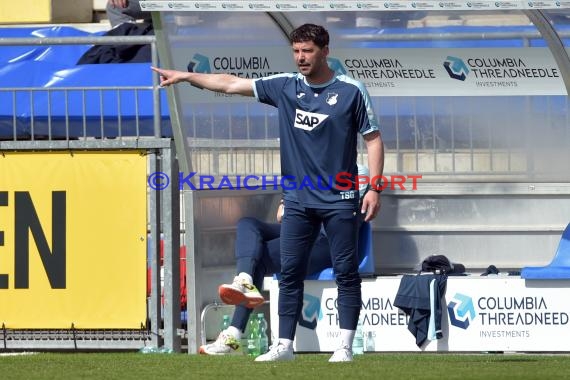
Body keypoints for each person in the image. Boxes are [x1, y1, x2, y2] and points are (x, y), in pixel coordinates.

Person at [152, 23, 384, 362]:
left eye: (308, 51)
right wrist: (188, 78)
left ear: (325, 51)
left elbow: (373, 138)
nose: (301, 58)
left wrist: (374, 187)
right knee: (289, 273)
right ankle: (284, 346)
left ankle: (345, 346)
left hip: (339, 199)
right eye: (296, 51)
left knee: (346, 272)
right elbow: (230, 83)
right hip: (298, 201)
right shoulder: (286, 87)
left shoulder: (350, 90)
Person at [200, 166, 370, 356]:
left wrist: (298, 209)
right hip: (305, 229)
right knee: (247, 224)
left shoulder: (358, 171)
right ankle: (245, 278)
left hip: (325, 242)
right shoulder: (317, 165)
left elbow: (335, 210)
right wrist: (289, 205)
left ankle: (234, 332)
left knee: (258, 258)